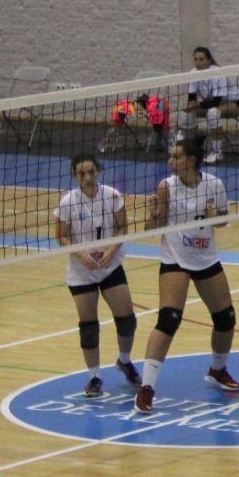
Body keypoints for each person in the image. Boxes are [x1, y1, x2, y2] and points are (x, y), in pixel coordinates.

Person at [135, 133, 239, 413]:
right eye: (171, 156)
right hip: (176, 258)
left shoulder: (214, 184)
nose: (171, 161)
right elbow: (151, 229)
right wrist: (154, 214)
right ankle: (147, 388)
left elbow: (223, 221)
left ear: (191, 160)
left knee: (226, 318)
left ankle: (217, 370)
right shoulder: (166, 187)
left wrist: (214, 217)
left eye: (177, 156)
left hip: (205, 257)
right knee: (168, 319)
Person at [53, 153, 140, 398]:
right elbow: (61, 236)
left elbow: (122, 227)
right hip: (82, 271)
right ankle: (94, 377)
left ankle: (124, 361)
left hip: (110, 266)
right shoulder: (68, 202)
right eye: (82, 173)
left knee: (127, 319)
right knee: (89, 326)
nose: (88, 177)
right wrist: (81, 255)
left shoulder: (112, 195)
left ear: (98, 171)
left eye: (91, 172)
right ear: (75, 175)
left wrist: (111, 252)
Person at [182, 46, 239, 164]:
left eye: (201, 59)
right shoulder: (193, 73)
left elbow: (216, 102)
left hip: (232, 104)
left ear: (209, 60)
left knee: (212, 113)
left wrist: (197, 104)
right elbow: (192, 98)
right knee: (187, 113)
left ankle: (217, 152)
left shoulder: (217, 72)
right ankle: (190, 148)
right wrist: (190, 105)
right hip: (210, 104)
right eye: (196, 59)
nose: (198, 62)